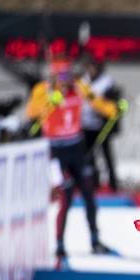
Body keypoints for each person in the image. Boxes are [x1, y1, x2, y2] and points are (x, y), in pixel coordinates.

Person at [25, 58, 118, 261]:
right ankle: (59, 245)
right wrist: (50, 102)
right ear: (53, 76)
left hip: (75, 147)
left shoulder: (79, 86)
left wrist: (113, 108)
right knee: (65, 198)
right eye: (61, 76)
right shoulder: (43, 89)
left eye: (67, 75)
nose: (66, 80)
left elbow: (96, 101)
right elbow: (31, 112)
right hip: (56, 151)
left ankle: (95, 240)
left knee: (89, 195)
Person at [79, 56, 123, 192]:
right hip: (86, 124)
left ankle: (113, 184)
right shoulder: (83, 81)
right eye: (89, 67)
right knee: (89, 156)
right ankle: (94, 182)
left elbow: (112, 102)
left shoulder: (106, 82)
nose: (91, 70)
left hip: (101, 126)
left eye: (94, 67)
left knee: (106, 155)